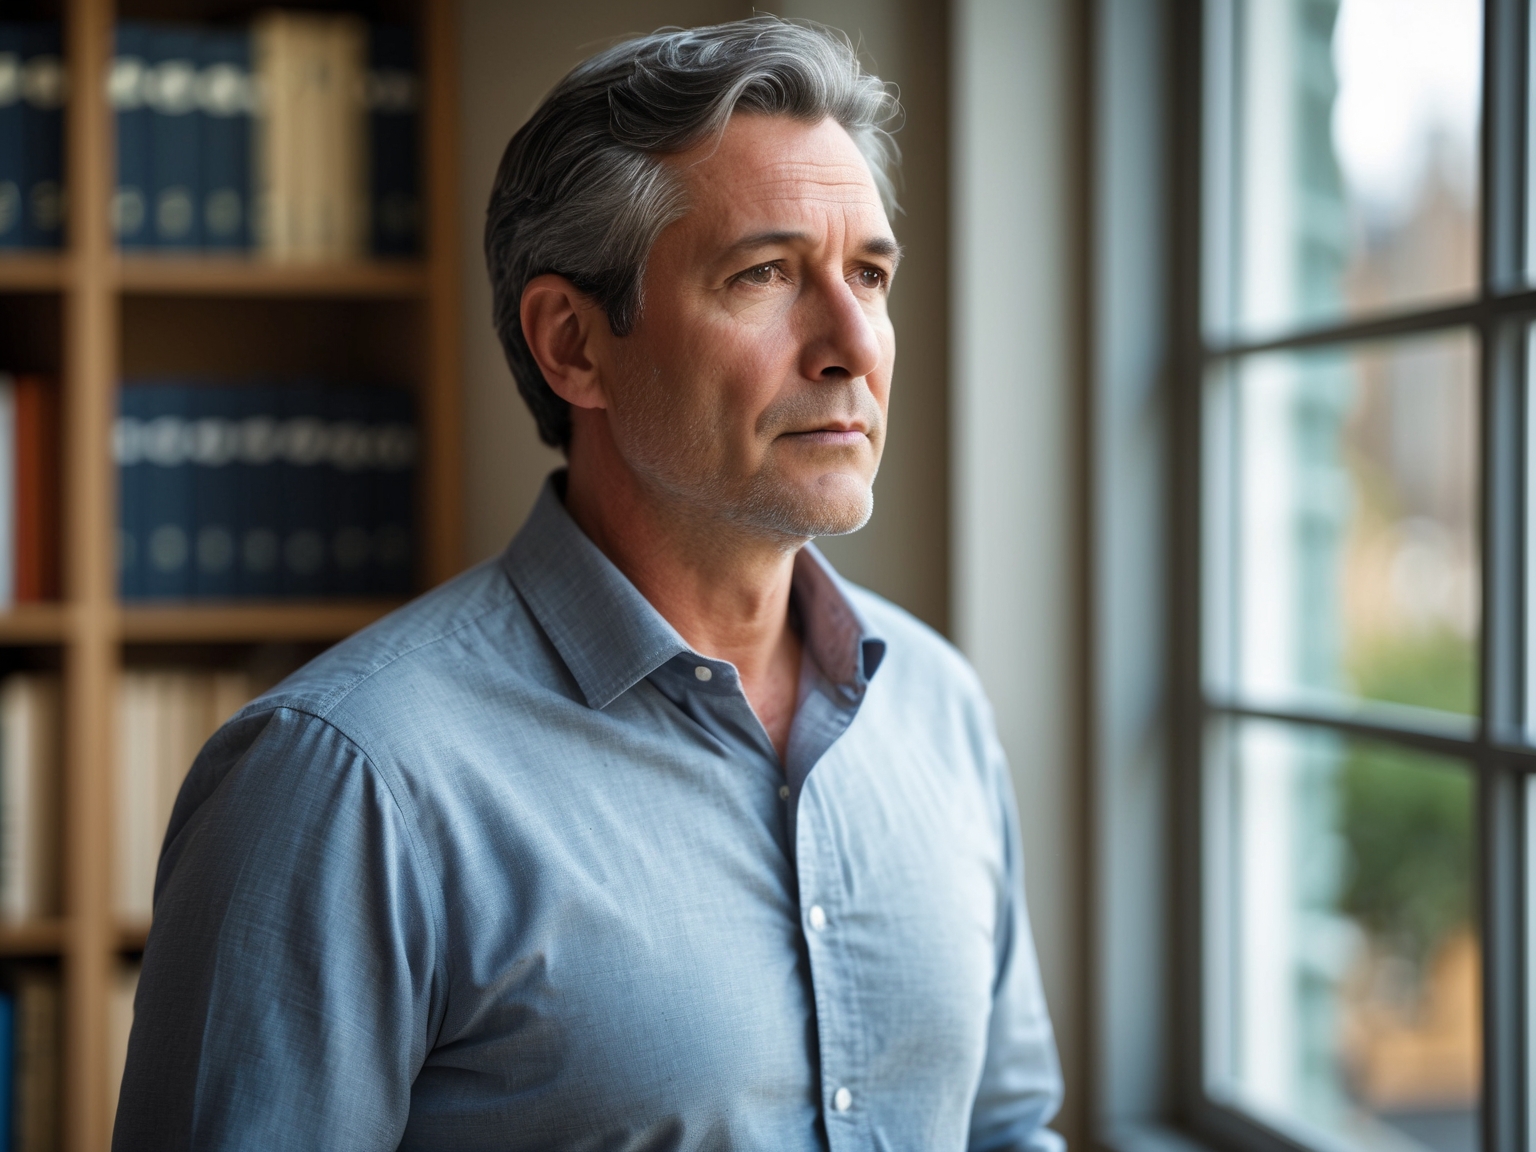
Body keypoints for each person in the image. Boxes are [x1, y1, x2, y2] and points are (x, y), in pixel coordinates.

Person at [113, 17, 1064, 1151]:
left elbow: (1009, 1130)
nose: (854, 342)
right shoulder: (347, 785)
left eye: (870, 273)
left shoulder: (937, 708)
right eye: (766, 274)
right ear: (572, 344)